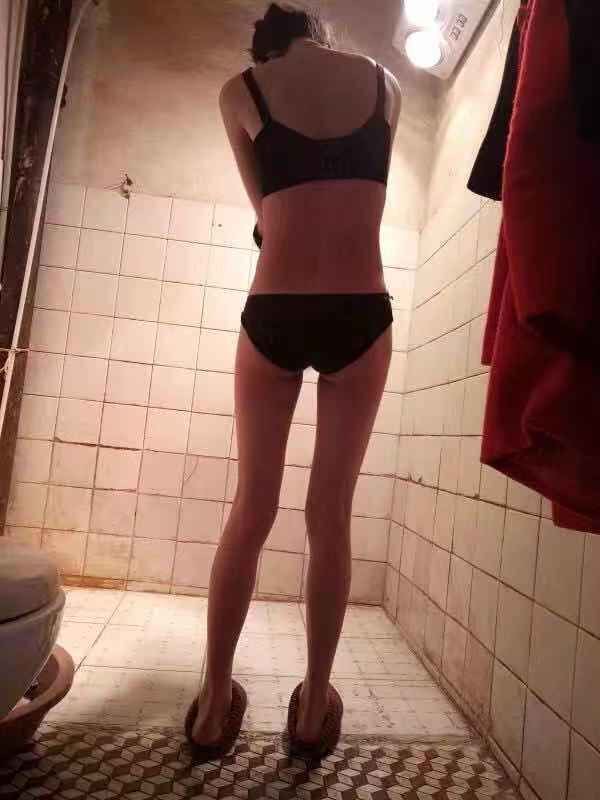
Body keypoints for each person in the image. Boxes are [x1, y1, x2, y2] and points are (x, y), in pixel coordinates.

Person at [185, 2, 402, 760]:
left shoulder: (239, 90)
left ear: (264, 50)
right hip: (361, 311)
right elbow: (368, 194)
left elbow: (265, 219)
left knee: (253, 506)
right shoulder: (385, 86)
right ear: (319, 34)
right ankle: (312, 709)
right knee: (329, 514)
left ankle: (214, 706)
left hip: (275, 307)